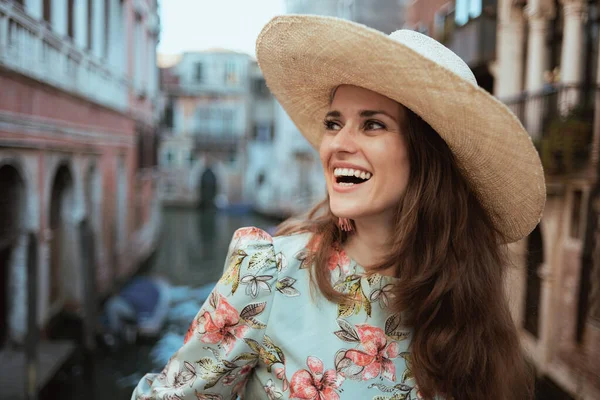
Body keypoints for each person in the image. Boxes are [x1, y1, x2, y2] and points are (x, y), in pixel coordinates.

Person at [132, 15, 545, 400]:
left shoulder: (466, 306)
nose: (337, 144)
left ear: (427, 156)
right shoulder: (269, 275)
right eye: (334, 123)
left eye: (373, 124)